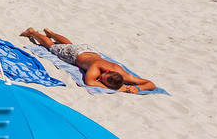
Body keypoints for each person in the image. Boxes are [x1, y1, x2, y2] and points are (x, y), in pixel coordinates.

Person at [20, 29, 157, 92]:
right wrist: (122, 89)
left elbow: (151, 84)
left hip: (88, 49)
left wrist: (138, 88)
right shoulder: (96, 67)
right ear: (107, 71)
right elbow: (90, 82)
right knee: (51, 47)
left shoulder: (123, 74)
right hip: (75, 55)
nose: (99, 79)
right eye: (102, 78)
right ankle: (33, 33)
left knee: (69, 44)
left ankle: (51, 33)